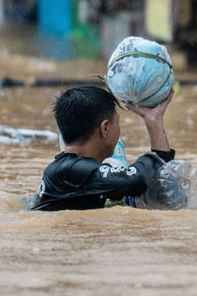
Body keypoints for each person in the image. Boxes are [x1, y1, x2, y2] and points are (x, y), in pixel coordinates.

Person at [30, 85, 175, 211]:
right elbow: (136, 180)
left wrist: (154, 121)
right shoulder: (69, 170)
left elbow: (156, 174)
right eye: (118, 122)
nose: (119, 130)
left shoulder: (75, 171)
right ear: (105, 128)